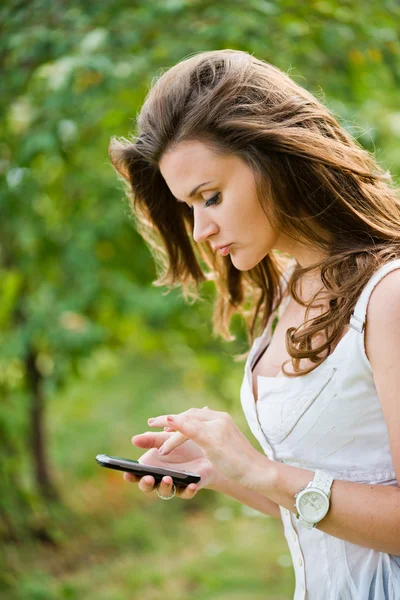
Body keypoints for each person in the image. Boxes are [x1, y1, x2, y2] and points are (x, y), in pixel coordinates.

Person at [108, 50, 400, 599]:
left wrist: (260, 469)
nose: (198, 230)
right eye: (189, 207)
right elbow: (321, 508)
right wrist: (225, 470)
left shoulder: (389, 297)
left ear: (275, 158)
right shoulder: (286, 293)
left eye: (210, 197)